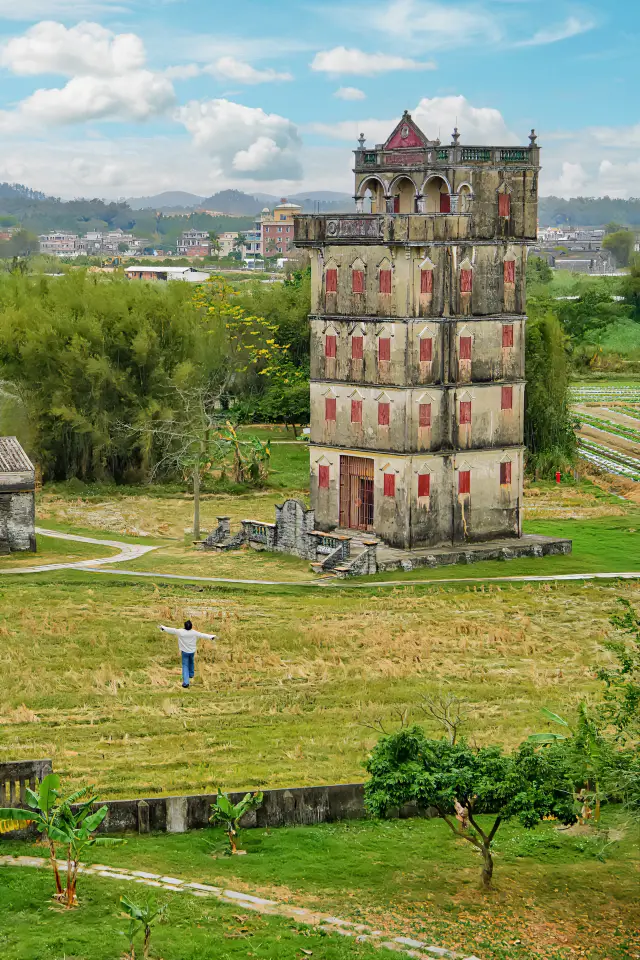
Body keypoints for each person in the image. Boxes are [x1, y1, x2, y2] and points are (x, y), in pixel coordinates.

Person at [158, 620, 216, 688]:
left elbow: (171, 630)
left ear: (184, 626)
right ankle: (191, 674)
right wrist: (211, 636)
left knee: (185, 665)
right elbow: (202, 635)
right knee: (191, 662)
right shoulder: (194, 632)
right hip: (192, 651)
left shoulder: (180, 631)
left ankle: (186, 682)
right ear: (191, 626)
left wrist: (163, 627)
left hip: (184, 652)